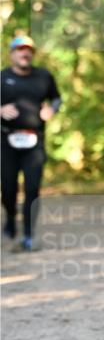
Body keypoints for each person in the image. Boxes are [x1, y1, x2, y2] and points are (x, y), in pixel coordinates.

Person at [1, 34, 61, 250]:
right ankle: (10, 218)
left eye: (28, 50)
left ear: (32, 54)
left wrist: (52, 109)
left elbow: (56, 98)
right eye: (20, 49)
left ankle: (28, 234)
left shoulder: (44, 76)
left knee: (32, 188)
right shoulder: (2, 77)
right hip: (6, 141)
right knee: (8, 188)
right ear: (12, 54)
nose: (25, 53)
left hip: (34, 142)